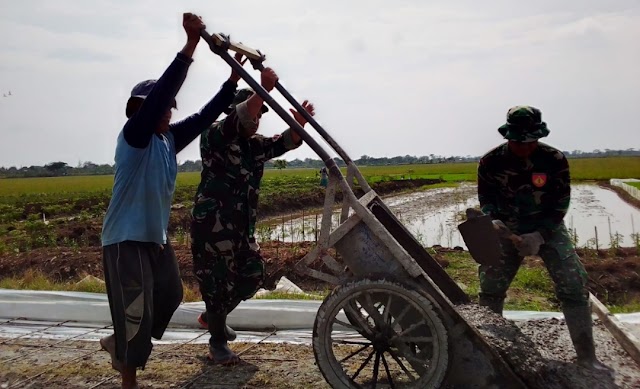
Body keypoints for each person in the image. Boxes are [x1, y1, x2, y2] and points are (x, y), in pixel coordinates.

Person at [99, 13, 242, 389]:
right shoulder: (135, 136)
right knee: (135, 315)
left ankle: (120, 343)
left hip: (153, 240)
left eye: (169, 108)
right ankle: (128, 376)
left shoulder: (166, 140)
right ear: (140, 110)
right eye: (162, 107)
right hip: (125, 240)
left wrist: (231, 83)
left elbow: (202, 118)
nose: (169, 110)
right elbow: (161, 94)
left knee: (172, 295)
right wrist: (191, 46)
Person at [190, 69, 315, 365]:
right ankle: (217, 343)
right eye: (254, 111)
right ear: (236, 111)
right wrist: (261, 91)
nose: (257, 119)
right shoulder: (215, 136)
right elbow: (239, 121)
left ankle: (212, 317)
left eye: (261, 114)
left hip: (241, 229)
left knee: (252, 275)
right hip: (213, 228)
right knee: (218, 283)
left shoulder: (253, 146)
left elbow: (282, 142)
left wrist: (298, 125)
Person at [475, 105, 607, 370]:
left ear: (538, 137)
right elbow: (486, 199)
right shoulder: (491, 162)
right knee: (491, 287)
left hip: (547, 227)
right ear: (508, 136)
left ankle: (587, 357)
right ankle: (490, 355)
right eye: (518, 141)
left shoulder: (554, 160)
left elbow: (560, 202)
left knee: (572, 283)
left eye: (530, 141)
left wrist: (541, 235)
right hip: (506, 229)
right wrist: (494, 219)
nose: (524, 147)